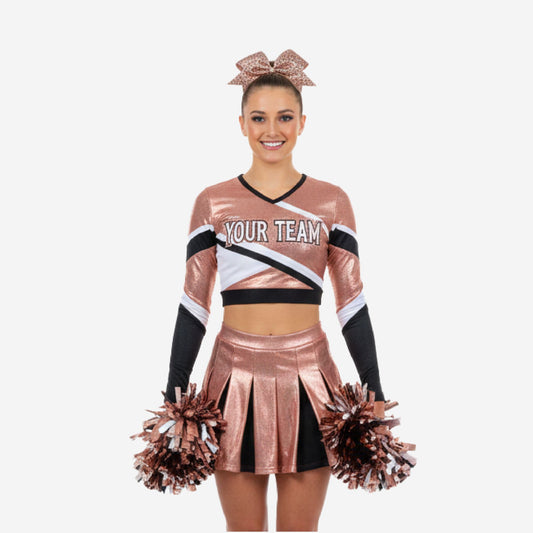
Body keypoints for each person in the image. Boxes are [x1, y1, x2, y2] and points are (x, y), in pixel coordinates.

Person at [164, 50, 387, 532]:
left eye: (285, 117)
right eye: (259, 117)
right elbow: (193, 304)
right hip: (232, 378)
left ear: (303, 123)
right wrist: (174, 387)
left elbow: (352, 303)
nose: (272, 129)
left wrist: (373, 384)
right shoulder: (213, 202)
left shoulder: (331, 201)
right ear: (241, 123)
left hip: (311, 379)